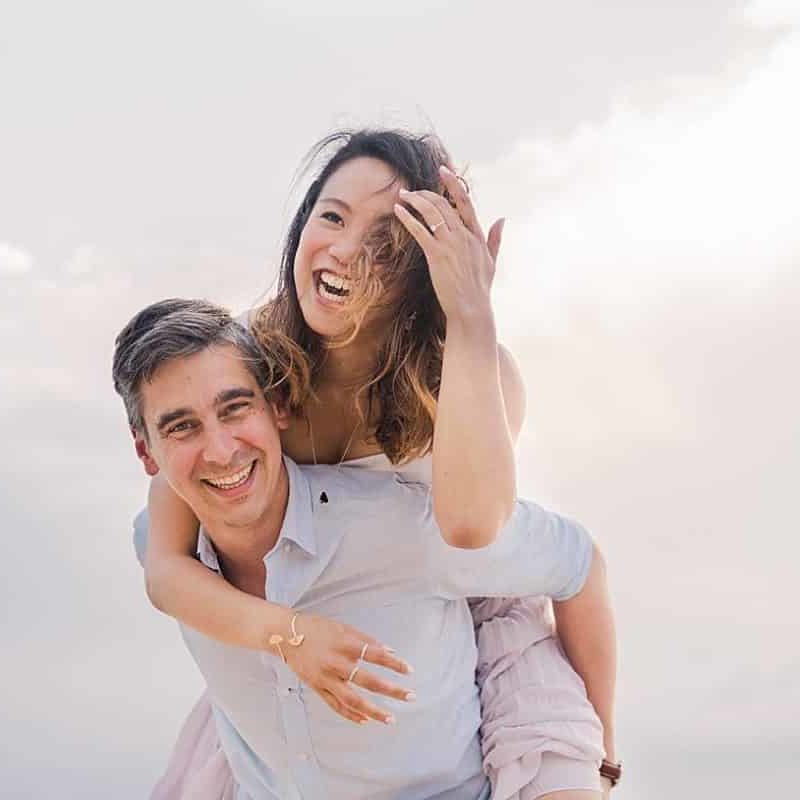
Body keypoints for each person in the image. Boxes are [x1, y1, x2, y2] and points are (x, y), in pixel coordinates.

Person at [132, 129, 618, 797]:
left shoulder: (471, 372)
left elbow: (474, 530)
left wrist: (472, 315)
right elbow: (166, 553)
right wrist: (289, 636)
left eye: (386, 243)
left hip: (470, 619)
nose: (345, 250)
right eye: (331, 216)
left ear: (423, 265)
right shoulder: (252, 363)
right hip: (319, 633)